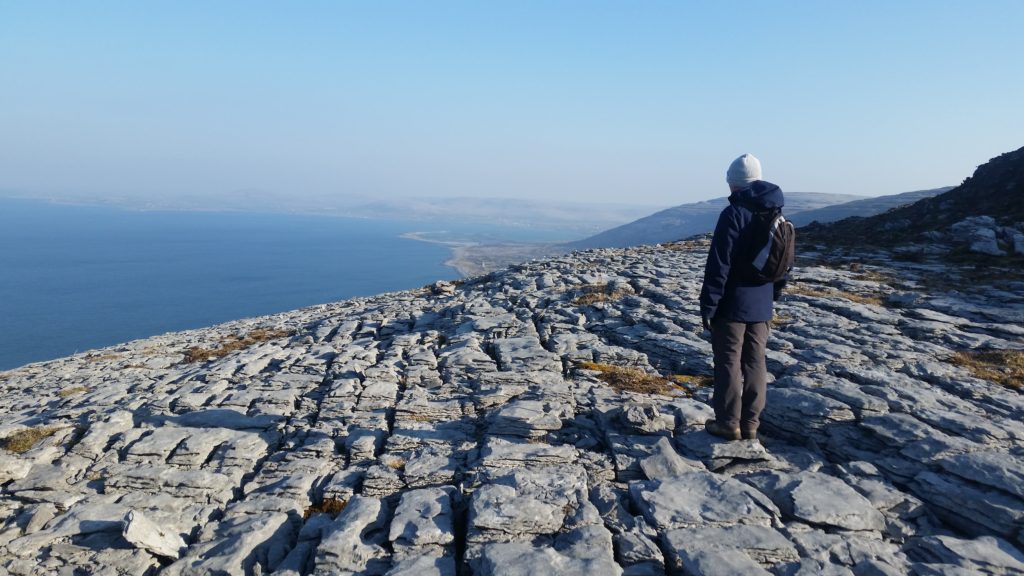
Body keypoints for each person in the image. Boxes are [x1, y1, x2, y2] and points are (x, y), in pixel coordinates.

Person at [699, 153, 787, 441]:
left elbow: (719, 264)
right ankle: (751, 424)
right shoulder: (776, 212)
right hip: (762, 304)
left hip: (732, 303)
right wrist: (772, 294)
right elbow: (783, 261)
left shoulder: (734, 213)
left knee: (728, 362)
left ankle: (728, 422)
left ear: (733, 183)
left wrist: (709, 304)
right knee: (755, 362)